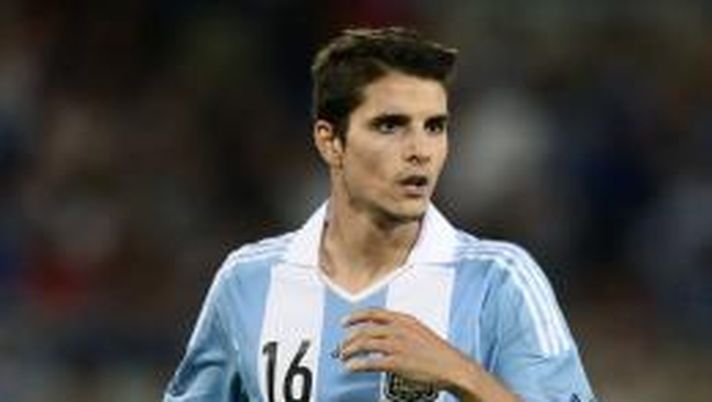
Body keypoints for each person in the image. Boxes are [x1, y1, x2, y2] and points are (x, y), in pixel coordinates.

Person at [163, 27, 596, 402]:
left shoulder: (499, 280)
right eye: (390, 125)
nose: (420, 151)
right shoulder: (247, 281)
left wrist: (463, 375)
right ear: (330, 142)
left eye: (434, 126)